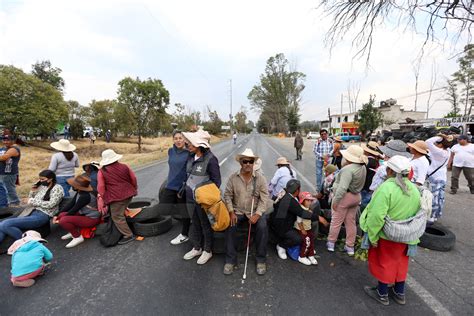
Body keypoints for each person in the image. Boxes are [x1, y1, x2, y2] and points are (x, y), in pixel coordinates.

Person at [360, 156, 421, 306]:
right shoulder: (414, 188)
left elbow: (376, 216)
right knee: (400, 263)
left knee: (384, 263)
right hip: (407, 235)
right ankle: (399, 293)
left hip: (387, 236)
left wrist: (373, 236)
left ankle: (382, 294)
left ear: (389, 170)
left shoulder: (387, 187)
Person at [223, 148, 269, 275]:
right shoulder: (233, 178)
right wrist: (231, 211)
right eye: (245, 161)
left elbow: (264, 199)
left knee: (262, 226)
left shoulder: (260, 179)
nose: (248, 164)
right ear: (241, 163)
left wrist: (258, 214)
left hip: (254, 211)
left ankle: (261, 260)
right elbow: (227, 195)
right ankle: (230, 260)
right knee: (230, 225)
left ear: (254, 163)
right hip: (237, 211)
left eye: (250, 161)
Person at [181, 131, 221, 265]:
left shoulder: (211, 159)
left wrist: (205, 197)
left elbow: (216, 182)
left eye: (191, 143)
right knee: (195, 223)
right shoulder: (191, 157)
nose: (188, 144)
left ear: (199, 145)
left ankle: (207, 250)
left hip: (202, 200)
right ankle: (197, 247)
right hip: (189, 197)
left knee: (205, 224)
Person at [0, 170, 64, 243]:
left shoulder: (57, 188)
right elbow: (32, 199)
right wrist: (33, 191)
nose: (40, 181)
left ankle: (25, 243)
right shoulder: (43, 187)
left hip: (43, 215)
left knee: (6, 224)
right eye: (39, 179)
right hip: (31, 211)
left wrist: (31, 201)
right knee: (2, 224)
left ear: (50, 179)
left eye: (42, 179)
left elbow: (51, 204)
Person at [326, 145, 367, 256]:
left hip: (345, 197)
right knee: (351, 222)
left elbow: (342, 188)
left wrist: (336, 201)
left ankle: (331, 243)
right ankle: (350, 247)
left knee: (336, 221)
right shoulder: (362, 167)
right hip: (356, 196)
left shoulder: (347, 169)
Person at [270, 179, 319, 260]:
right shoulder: (290, 200)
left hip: (276, 221)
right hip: (282, 228)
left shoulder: (284, 193)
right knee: (298, 239)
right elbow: (302, 213)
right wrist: (319, 217)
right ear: (297, 190)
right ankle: (281, 245)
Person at [158, 130, 191, 245]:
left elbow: (190, 171)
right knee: (163, 208)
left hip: (182, 187)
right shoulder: (170, 151)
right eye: (176, 138)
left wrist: (185, 185)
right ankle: (186, 219)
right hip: (170, 184)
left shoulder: (189, 153)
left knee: (184, 211)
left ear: (184, 140)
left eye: (180, 138)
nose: (178, 140)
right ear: (173, 140)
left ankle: (185, 234)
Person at [97, 149, 138, 245]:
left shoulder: (102, 171)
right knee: (121, 211)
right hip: (129, 193)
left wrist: (102, 197)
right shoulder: (124, 166)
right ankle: (127, 227)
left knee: (117, 216)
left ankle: (128, 235)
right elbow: (134, 178)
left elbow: (101, 187)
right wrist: (134, 188)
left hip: (116, 197)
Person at [53, 175, 100, 248]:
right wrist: (57, 215)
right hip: (84, 214)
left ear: (78, 187)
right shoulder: (80, 191)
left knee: (64, 220)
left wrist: (59, 220)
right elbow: (70, 204)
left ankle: (77, 237)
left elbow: (74, 209)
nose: (71, 186)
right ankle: (73, 231)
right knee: (62, 215)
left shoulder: (85, 196)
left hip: (92, 219)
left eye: (73, 185)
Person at [426, 135, 452, 222]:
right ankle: (436, 215)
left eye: (437, 143)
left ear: (441, 145)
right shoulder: (448, 151)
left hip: (435, 177)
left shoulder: (439, 152)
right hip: (442, 176)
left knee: (433, 197)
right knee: (440, 196)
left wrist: (439, 136)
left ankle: (431, 217)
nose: (435, 144)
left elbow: (428, 142)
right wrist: (444, 139)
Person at [294, 192, 318, 266]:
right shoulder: (301, 210)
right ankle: (302, 256)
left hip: (308, 228)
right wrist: (302, 229)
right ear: (302, 201)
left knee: (311, 240)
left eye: (311, 200)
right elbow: (299, 221)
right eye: (307, 200)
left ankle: (310, 254)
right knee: (306, 242)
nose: (310, 202)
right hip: (301, 229)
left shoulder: (308, 209)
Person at [360, 141, 382, 210]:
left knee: (363, 207)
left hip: (365, 188)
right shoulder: (376, 162)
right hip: (372, 188)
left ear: (367, 151)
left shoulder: (367, 162)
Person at [0, 134, 21, 206]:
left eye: (8, 140)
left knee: (9, 189)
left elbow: (4, 157)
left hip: (9, 173)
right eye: (4, 140)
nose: (6, 142)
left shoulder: (14, 149)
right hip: (2, 172)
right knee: (3, 189)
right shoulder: (3, 148)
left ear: (12, 141)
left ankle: (15, 203)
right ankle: (5, 204)